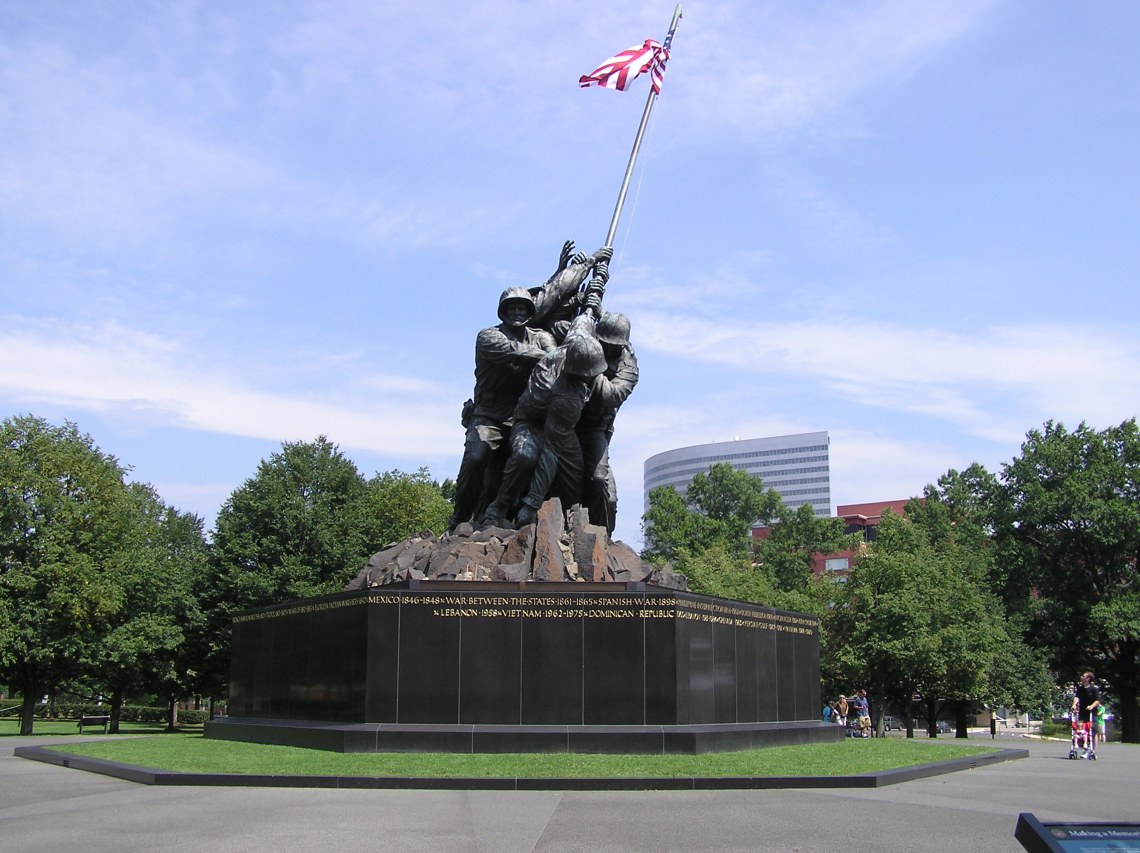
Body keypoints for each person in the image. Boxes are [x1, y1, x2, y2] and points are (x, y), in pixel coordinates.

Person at [481, 313, 607, 527]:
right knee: (525, 455)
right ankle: (500, 505)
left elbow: (581, 323)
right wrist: (532, 503)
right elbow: (551, 450)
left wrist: (590, 311)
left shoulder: (573, 344)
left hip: (561, 428)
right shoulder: (564, 394)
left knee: (574, 475)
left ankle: (569, 523)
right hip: (530, 421)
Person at [448, 288, 556, 530]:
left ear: (529, 312)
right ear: (503, 312)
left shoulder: (541, 337)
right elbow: (515, 351)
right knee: (476, 458)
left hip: (522, 415)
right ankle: (458, 520)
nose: (517, 312)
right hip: (489, 413)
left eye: (522, 308)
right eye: (512, 308)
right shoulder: (488, 336)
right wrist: (549, 356)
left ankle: (498, 510)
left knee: (525, 458)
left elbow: (556, 359)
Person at [576, 311, 638, 533]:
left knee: (603, 486)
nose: (606, 349)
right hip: (563, 421)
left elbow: (611, 395)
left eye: (612, 346)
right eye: (602, 343)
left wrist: (591, 364)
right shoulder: (584, 337)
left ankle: (602, 538)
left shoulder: (628, 367)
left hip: (595, 427)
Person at [1074, 670, 1101, 760]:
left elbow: (1097, 701)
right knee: (1082, 731)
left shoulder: (1094, 689)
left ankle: (1093, 751)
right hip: (1082, 713)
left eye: (1083, 676)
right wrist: (1074, 705)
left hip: (1092, 714)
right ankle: (1086, 749)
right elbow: (1076, 697)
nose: (1081, 677)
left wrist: (1091, 706)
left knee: (1093, 732)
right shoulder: (1080, 689)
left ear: (1088, 678)